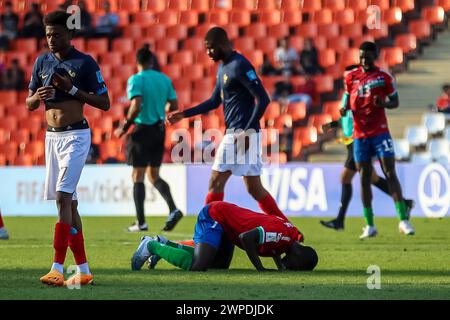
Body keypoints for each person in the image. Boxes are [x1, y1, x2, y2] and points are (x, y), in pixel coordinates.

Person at [168, 27, 287, 223]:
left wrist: (246, 131)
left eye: (211, 48)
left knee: (215, 182)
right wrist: (184, 114)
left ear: (222, 45)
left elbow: (263, 99)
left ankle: (206, 229)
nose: (208, 53)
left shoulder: (240, 65)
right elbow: (215, 101)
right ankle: (289, 228)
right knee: (254, 188)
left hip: (241, 132)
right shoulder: (223, 67)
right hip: (244, 132)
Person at [26, 11, 110, 286]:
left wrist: (72, 90)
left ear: (70, 34)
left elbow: (104, 102)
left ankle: (57, 269)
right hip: (52, 138)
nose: (51, 39)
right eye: (48, 34)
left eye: (57, 34)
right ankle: (83, 269)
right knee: (70, 205)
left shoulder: (84, 63)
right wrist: (36, 97)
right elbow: (29, 102)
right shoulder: (41, 62)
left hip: (76, 136)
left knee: (62, 198)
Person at [340, 41, 415, 239]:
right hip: (359, 136)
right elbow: (347, 100)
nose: (364, 60)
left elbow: (395, 101)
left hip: (380, 132)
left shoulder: (384, 77)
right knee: (364, 177)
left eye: (367, 56)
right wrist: (344, 108)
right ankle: (369, 224)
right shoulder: (351, 77)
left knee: (389, 171)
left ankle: (403, 219)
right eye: (361, 56)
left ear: (375, 56)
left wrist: (384, 103)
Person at [131, 201, 317, 272]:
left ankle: (165, 243)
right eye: (295, 267)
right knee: (198, 266)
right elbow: (246, 237)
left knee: (218, 265)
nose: (291, 268)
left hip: (229, 224)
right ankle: (151, 246)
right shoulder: (284, 236)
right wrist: (260, 268)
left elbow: (273, 244)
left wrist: (279, 266)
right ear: (298, 258)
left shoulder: (290, 234)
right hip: (216, 215)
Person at [114, 45, 183, 232]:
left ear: (137, 62)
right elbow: (174, 105)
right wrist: (160, 109)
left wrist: (125, 126)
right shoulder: (164, 79)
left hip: (142, 129)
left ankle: (141, 222)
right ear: (152, 61)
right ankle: (173, 209)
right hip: (159, 130)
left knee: (137, 175)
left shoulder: (136, 79)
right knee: (154, 175)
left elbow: (136, 105)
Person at [319, 106, 414, 231]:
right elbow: (347, 120)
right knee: (373, 179)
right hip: (352, 143)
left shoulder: (356, 94)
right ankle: (405, 202)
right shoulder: (349, 95)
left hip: (358, 143)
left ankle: (340, 220)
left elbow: (359, 118)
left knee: (345, 178)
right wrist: (332, 124)